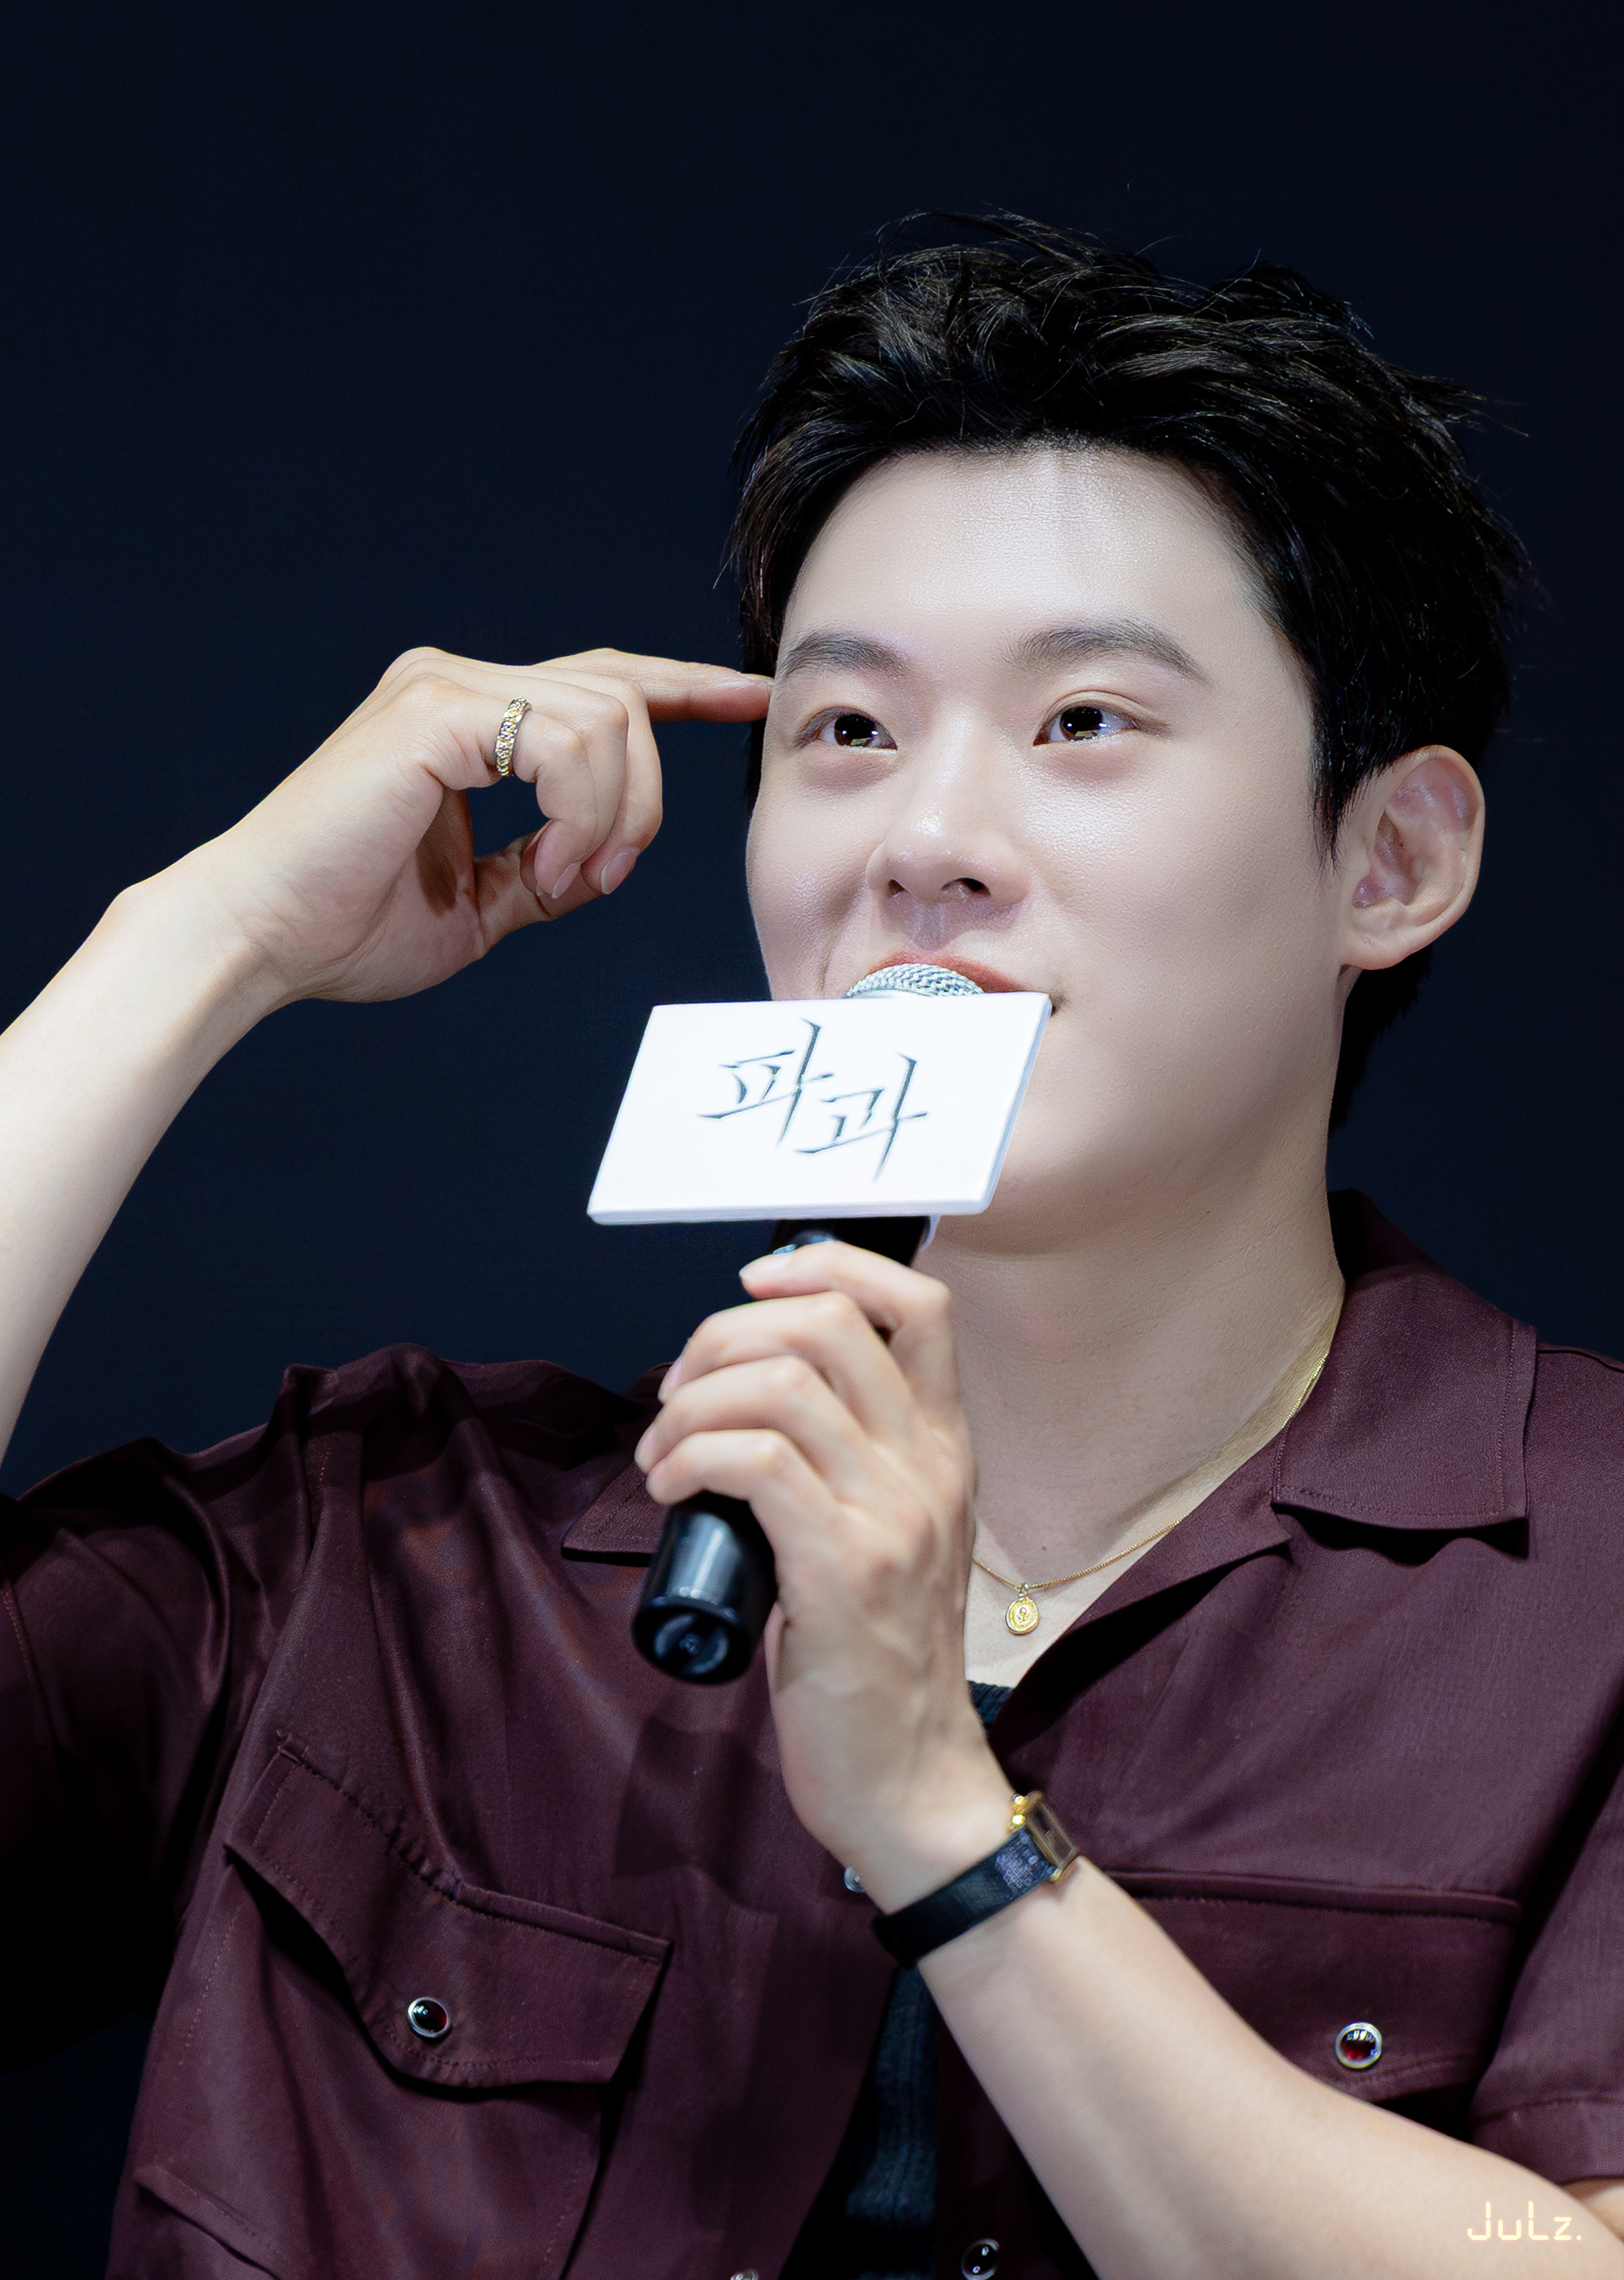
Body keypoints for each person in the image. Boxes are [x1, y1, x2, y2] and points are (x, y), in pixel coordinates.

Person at [2, 218, 1622, 2280]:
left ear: (1389, 858)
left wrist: (946, 1818)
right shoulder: (387, 1556)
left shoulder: (1589, 1589)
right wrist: (193, 943)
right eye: (848, 732)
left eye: (1084, 721)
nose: (923, 845)